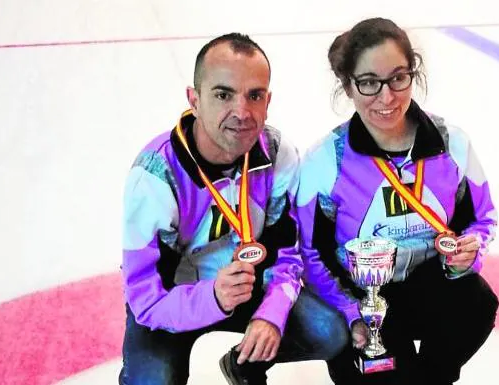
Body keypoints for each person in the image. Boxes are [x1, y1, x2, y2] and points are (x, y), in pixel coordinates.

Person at [119, 32, 348, 385]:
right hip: (174, 296)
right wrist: (212, 297)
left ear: (268, 101)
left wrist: (271, 314)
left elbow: (287, 254)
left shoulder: (276, 153)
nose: (241, 112)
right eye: (223, 94)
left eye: (254, 96)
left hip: (249, 286)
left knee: (328, 332)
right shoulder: (154, 176)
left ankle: (244, 365)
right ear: (194, 100)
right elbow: (145, 299)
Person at [296, 18, 499, 385]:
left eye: (397, 78)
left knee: (477, 301)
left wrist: (469, 252)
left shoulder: (452, 144)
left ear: (412, 74)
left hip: (428, 289)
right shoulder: (325, 162)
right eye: (369, 83)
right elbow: (311, 253)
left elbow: (480, 218)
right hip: (363, 302)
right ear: (348, 86)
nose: (386, 97)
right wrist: (351, 311)